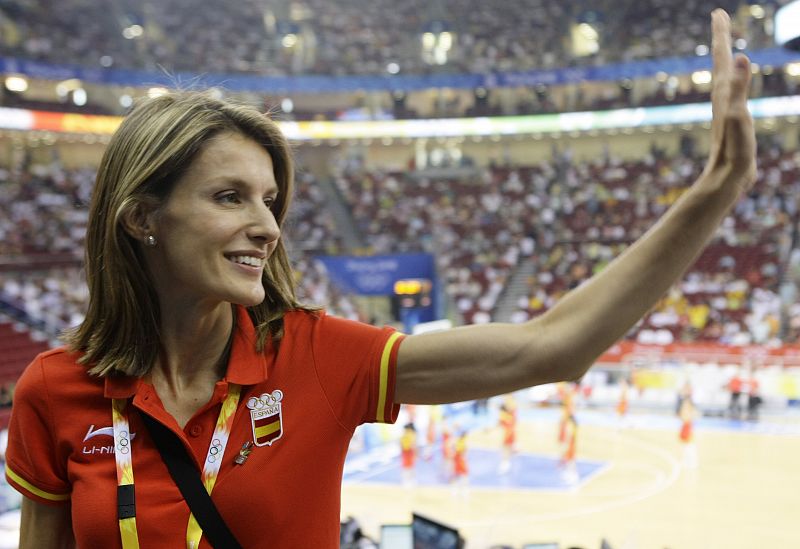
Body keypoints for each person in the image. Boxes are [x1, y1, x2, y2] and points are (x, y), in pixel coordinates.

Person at [5, 10, 756, 548]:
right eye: (230, 197)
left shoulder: (318, 357)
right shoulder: (54, 389)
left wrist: (714, 190)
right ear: (143, 216)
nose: (267, 227)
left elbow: (550, 347)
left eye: (270, 200)